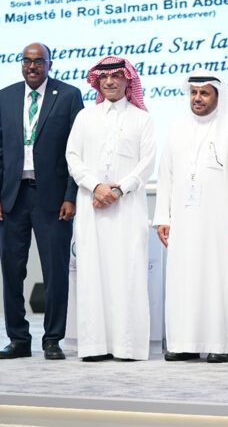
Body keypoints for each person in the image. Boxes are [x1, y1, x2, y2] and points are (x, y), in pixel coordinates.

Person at [0, 42, 84, 360]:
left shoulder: (68, 96)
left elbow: (77, 152)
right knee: (12, 272)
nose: (32, 66)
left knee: (55, 272)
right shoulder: (5, 97)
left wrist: (71, 196)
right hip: (12, 199)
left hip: (52, 200)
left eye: (39, 61)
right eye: (27, 61)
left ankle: (53, 339)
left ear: (49, 64)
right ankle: (18, 340)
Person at [154, 70, 228, 363]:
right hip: (184, 220)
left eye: (204, 93)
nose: (197, 98)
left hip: (222, 221)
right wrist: (163, 217)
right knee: (184, 279)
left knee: (219, 279)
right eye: (193, 93)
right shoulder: (176, 129)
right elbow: (166, 176)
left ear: (218, 96)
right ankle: (185, 342)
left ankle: (220, 343)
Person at [65, 56, 156, 361]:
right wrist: (96, 186)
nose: (109, 81)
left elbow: (147, 163)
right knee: (92, 274)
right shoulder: (85, 117)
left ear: (128, 80)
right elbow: (73, 156)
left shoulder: (142, 119)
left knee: (127, 273)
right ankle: (94, 346)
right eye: (104, 77)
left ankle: (127, 346)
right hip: (91, 207)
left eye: (116, 76)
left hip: (127, 209)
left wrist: (118, 189)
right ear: (97, 82)